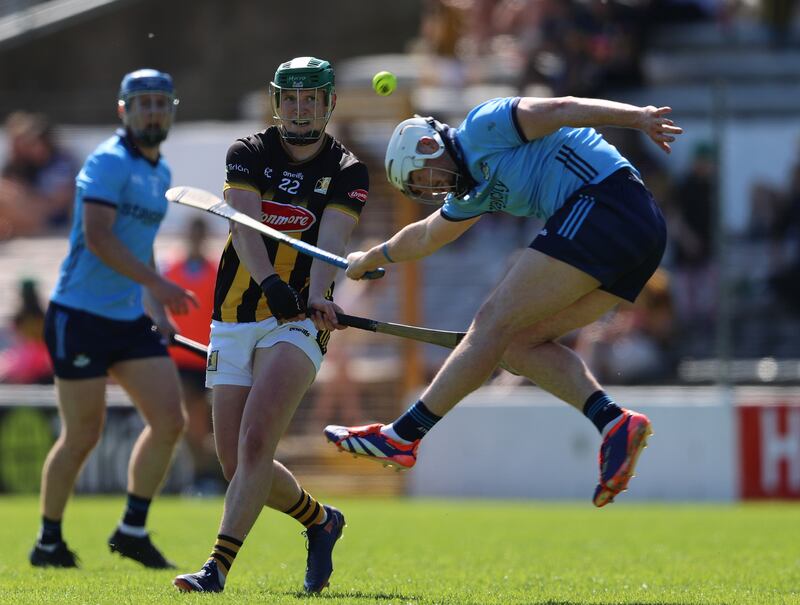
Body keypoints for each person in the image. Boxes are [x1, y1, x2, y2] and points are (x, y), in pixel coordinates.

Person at [324, 94, 683, 507]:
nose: (431, 190)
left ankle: (403, 436)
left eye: (424, 179)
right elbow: (425, 235)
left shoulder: (484, 127)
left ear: (429, 145)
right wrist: (370, 257)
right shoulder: (469, 196)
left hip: (607, 203)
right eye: (421, 189)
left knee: (491, 322)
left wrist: (636, 116)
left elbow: (560, 108)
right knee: (516, 344)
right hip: (637, 234)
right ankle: (614, 423)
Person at [172, 56, 368, 594]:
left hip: (299, 321)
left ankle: (216, 567)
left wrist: (320, 295)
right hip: (237, 314)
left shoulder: (348, 170)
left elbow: (330, 244)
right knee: (237, 462)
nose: (301, 108)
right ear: (276, 101)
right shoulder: (248, 153)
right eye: (292, 98)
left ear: (329, 104)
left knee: (258, 441)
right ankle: (320, 521)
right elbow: (246, 228)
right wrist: (271, 286)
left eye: (312, 98)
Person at [29, 69, 197, 569]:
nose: (152, 112)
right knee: (83, 434)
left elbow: (137, 250)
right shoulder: (107, 161)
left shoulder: (161, 173)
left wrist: (156, 305)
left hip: (127, 320)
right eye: (142, 103)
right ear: (124, 111)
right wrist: (162, 284)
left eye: (160, 103)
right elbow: (100, 239)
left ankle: (131, 530)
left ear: (170, 111)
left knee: (169, 421)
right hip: (79, 316)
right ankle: (49, 541)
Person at [162, 217, 223, 494]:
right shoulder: (172, 269)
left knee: (213, 423)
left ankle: (209, 476)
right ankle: (198, 477)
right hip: (181, 357)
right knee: (192, 421)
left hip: (210, 357)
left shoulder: (216, 270)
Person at [0, 111, 78, 239]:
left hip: (50, 220)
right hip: (28, 212)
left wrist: (23, 195)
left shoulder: (61, 163)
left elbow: (56, 204)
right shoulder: (21, 163)